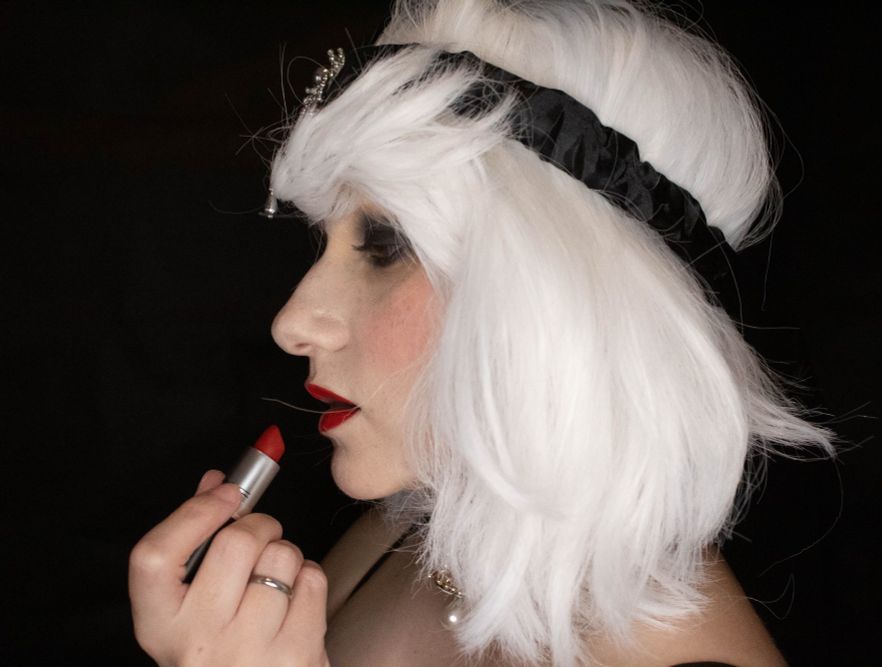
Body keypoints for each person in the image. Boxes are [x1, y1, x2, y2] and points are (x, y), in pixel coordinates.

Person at [129, 1, 833, 664]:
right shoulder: (411, 533)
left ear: (555, 292)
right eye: (326, 244)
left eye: (385, 245)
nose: (291, 323)